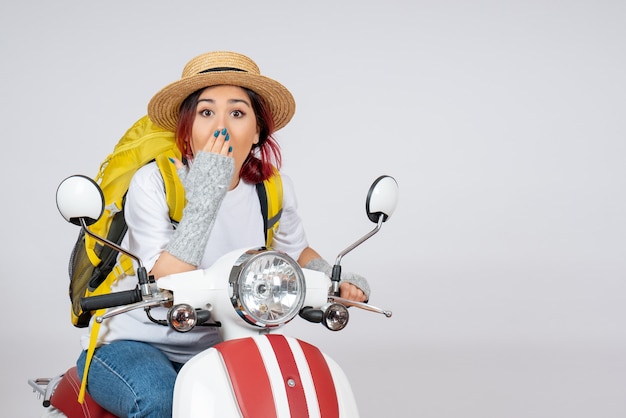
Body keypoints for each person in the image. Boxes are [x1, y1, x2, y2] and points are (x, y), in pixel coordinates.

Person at [76, 50, 371, 417]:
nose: (221, 126)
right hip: (138, 342)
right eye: (205, 112)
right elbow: (165, 280)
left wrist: (336, 278)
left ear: (258, 129)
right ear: (187, 125)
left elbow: (297, 252)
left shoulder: (271, 187)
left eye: (236, 112)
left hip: (227, 342)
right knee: (160, 402)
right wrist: (206, 195)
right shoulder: (154, 182)